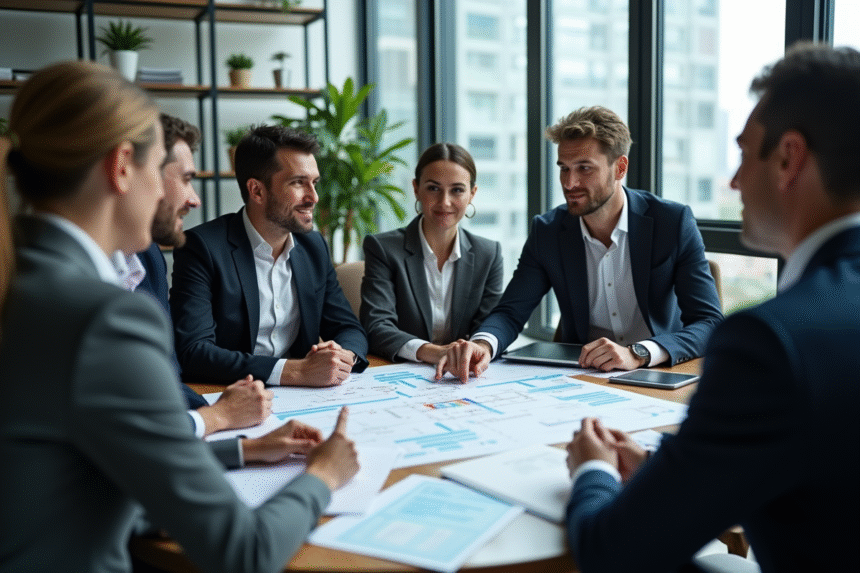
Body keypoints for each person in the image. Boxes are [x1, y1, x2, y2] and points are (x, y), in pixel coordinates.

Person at [0, 61, 359, 573]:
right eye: (174, 175)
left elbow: (88, 470)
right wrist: (323, 477)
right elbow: (243, 553)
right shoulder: (103, 319)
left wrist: (244, 451)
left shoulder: (24, 278)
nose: (188, 197)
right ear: (122, 167)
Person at [565, 42, 860, 573]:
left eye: (745, 152)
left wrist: (594, 472)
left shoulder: (771, 343)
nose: (734, 181)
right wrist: (670, 469)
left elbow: (612, 555)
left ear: (790, 159)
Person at [437, 106, 723, 381]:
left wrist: (638, 353)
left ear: (620, 168)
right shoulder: (547, 231)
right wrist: (483, 345)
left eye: (584, 168)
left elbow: (708, 323)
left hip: (658, 373)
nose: (570, 183)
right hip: (582, 377)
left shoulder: (671, 223)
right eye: (564, 168)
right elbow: (511, 311)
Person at [127, 113, 310, 469]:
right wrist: (219, 417)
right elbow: (125, 443)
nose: (194, 199)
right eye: (186, 179)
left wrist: (242, 442)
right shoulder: (198, 246)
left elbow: (168, 380)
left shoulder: (147, 257)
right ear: (125, 173)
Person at [170, 124, 369, 387]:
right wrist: (294, 371)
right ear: (257, 191)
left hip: (306, 396)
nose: (314, 197)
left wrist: (343, 357)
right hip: (231, 394)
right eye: (298, 182)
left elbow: (348, 328)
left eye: (314, 183)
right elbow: (194, 352)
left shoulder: (313, 246)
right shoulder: (202, 248)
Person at [360, 143, 504, 363]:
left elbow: (490, 324)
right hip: (400, 373)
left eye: (457, 190)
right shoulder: (383, 249)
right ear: (416, 188)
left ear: (472, 194)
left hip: (463, 375)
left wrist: (469, 353)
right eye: (433, 188)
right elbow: (377, 326)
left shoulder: (489, 254)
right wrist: (435, 353)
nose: (444, 202)